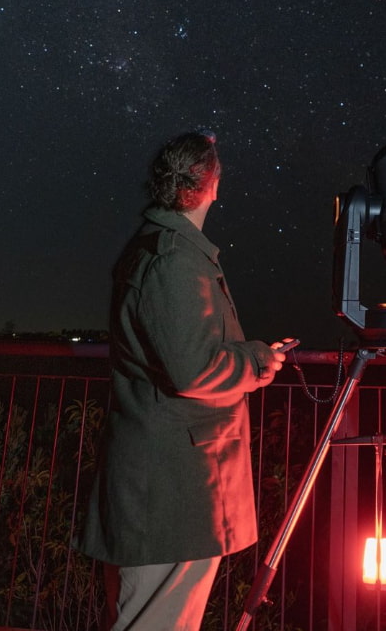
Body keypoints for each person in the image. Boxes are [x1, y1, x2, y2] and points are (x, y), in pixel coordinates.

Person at [79, 131, 293, 631]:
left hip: (166, 487)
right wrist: (258, 361)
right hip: (172, 491)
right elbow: (193, 369)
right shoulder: (173, 258)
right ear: (211, 183)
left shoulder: (164, 248)